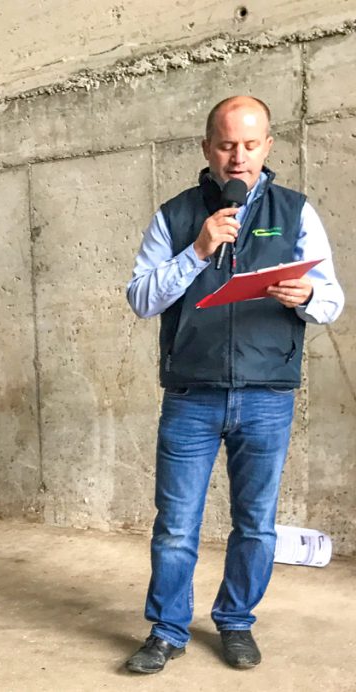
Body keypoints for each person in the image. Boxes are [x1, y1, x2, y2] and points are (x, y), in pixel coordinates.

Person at [124, 95, 344, 674]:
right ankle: (167, 630)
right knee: (175, 526)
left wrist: (308, 297)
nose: (238, 157)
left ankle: (236, 622)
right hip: (191, 397)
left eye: (250, 145)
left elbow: (333, 300)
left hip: (266, 395)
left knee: (255, 524)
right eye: (226, 145)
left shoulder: (295, 211)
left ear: (268, 147)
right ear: (207, 149)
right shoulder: (174, 216)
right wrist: (198, 250)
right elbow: (141, 298)